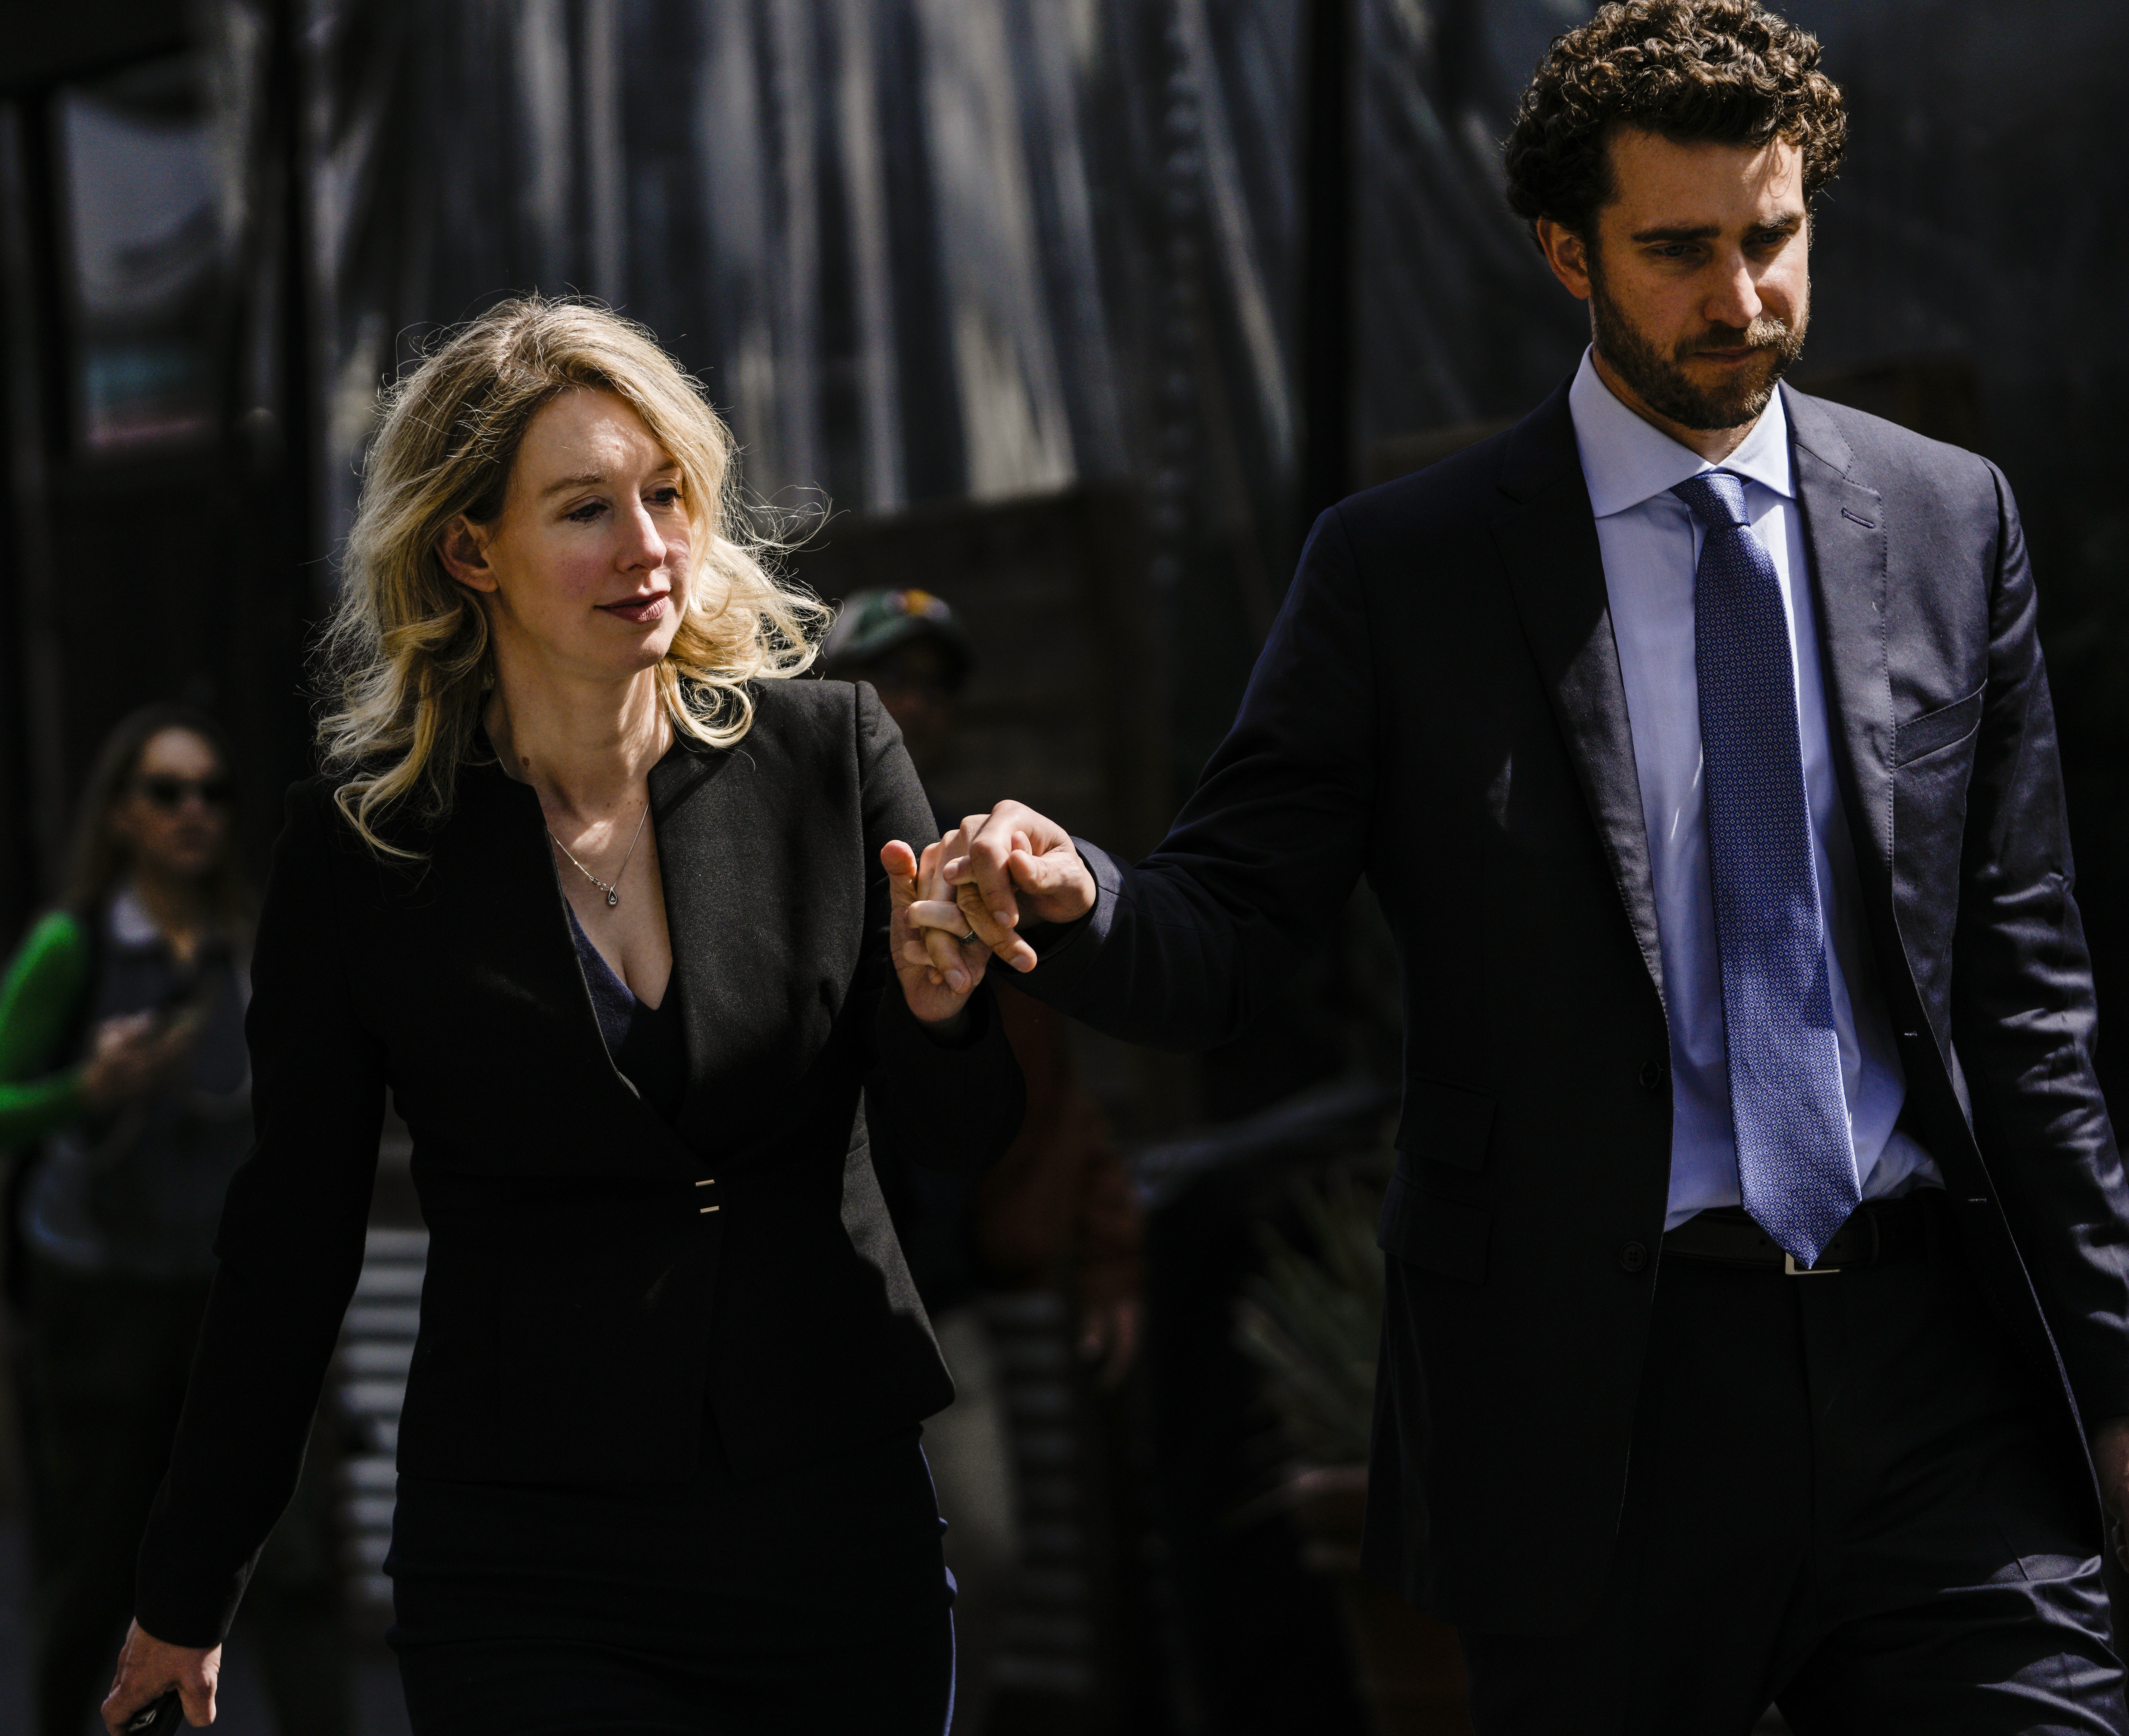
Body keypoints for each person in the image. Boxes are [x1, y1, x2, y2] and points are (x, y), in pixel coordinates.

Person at [911, 2, 2129, 1729]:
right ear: (1565, 251)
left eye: (1771, 239)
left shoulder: (1949, 521)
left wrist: (2108, 1361)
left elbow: (2025, 993)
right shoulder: (1401, 573)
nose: (1739, 297)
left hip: (1933, 1366)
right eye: (1677, 251)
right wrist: (1076, 890)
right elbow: (1231, 926)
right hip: (1601, 1397)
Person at [98, 298, 1025, 1736]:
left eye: (667, 495)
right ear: (470, 551)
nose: (648, 547)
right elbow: (288, 1239)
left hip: (829, 1521)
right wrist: (187, 1583)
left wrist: (945, 1011)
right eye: (586, 508)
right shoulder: (362, 858)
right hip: (528, 1554)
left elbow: (963, 1131)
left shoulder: (830, 758)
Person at [0, 704, 351, 1736]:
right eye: (167, 793)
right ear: (122, 814)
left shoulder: (253, 942)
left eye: (212, 793)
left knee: (294, 1561)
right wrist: (85, 1087)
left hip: (237, 1299)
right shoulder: (73, 947)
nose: (193, 814)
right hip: (105, 1299)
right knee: (101, 1570)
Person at [823, 584, 1144, 1731]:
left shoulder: (977, 865)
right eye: (887, 679)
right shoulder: (769, 845)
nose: (912, 706)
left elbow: (1053, 1089)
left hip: (940, 1298)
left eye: (933, 685)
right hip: (793, 1298)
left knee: (991, 1551)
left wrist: (1106, 1258)